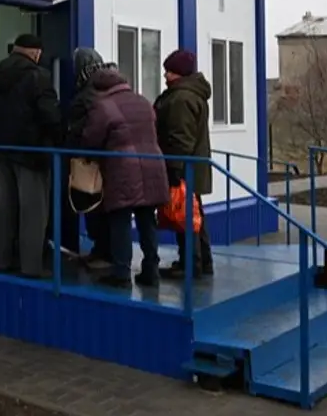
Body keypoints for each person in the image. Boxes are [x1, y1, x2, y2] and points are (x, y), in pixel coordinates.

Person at [0, 33, 62, 279]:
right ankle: (31, 267)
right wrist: (58, 139)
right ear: (35, 53)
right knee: (33, 211)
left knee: (2, 209)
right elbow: (50, 115)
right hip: (30, 153)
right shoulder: (38, 76)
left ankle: (1, 261)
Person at [79, 67, 170, 288]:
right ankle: (151, 269)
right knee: (147, 219)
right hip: (153, 165)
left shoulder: (103, 106)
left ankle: (121, 273)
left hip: (122, 169)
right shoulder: (142, 101)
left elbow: (91, 139)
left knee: (120, 220)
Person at [155, 49, 215, 279]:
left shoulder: (180, 99)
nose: (165, 75)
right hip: (194, 166)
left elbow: (180, 138)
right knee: (194, 215)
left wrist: (174, 169)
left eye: (169, 71)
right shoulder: (193, 94)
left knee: (184, 216)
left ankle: (191, 265)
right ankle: (202, 261)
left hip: (183, 168)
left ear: (179, 73)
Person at [62, 47, 112, 270]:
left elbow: (83, 128)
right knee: (102, 206)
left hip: (92, 158)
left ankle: (103, 252)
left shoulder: (88, 93)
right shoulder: (109, 88)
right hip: (109, 157)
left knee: (94, 205)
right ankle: (104, 251)